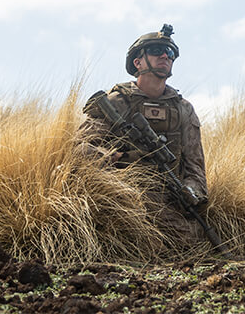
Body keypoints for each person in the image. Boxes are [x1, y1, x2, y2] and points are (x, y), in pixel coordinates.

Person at [77, 24, 209, 249]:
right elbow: (80, 148)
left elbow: (195, 166)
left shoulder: (183, 110)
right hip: (119, 195)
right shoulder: (116, 102)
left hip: (167, 199)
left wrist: (191, 191)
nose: (165, 56)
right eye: (157, 50)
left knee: (191, 241)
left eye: (171, 53)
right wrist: (117, 157)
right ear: (138, 62)